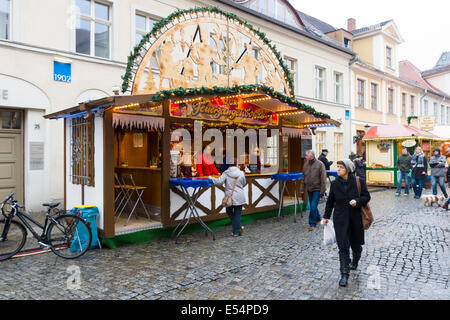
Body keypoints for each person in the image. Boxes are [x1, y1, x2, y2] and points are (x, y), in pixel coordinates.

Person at [323, 159, 371, 287]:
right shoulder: (334, 184)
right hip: (340, 220)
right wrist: (326, 216)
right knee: (343, 247)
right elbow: (330, 202)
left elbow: (367, 197)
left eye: (341, 167)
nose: (338, 169)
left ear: (348, 169)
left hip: (356, 219)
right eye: (337, 167)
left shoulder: (358, 181)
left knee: (356, 246)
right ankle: (344, 274)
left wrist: (357, 201)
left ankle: (355, 261)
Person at [211, 158, 247, 237]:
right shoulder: (241, 173)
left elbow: (219, 182)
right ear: (236, 163)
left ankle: (236, 231)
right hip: (239, 196)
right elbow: (244, 183)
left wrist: (211, 178)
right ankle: (238, 229)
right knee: (238, 213)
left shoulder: (226, 173)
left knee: (229, 212)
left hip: (229, 196)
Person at [301, 150, 327, 231]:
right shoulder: (305, 165)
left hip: (317, 188)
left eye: (306, 155)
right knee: (314, 206)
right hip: (309, 189)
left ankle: (312, 224)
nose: (305, 157)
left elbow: (323, 177)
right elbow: (303, 177)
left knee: (313, 206)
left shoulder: (320, 164)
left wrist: (323, 190)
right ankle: (318, 219)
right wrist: (302, 188)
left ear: (311, 156)